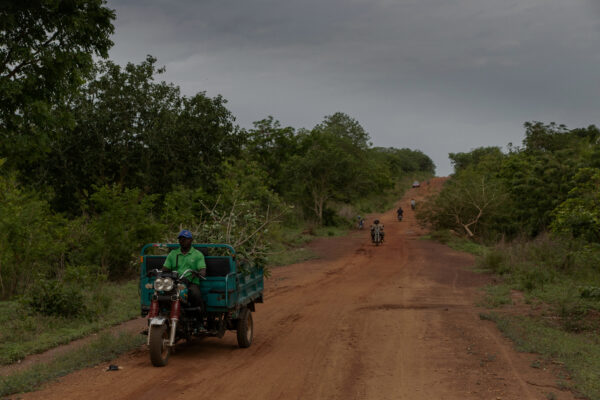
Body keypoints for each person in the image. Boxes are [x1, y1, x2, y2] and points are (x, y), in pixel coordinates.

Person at [163, 229, 206, 308]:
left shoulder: (198, 254)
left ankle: (197, 314)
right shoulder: (173, 253)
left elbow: (202, 270)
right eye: (180, 239)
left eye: (185, 239)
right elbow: (165, 269)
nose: (182, 241)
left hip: (191, 282)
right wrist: (159, 272)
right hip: (175, 281)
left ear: (191, 240)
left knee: (195, 294)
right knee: (162, 292)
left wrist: (198, 273)